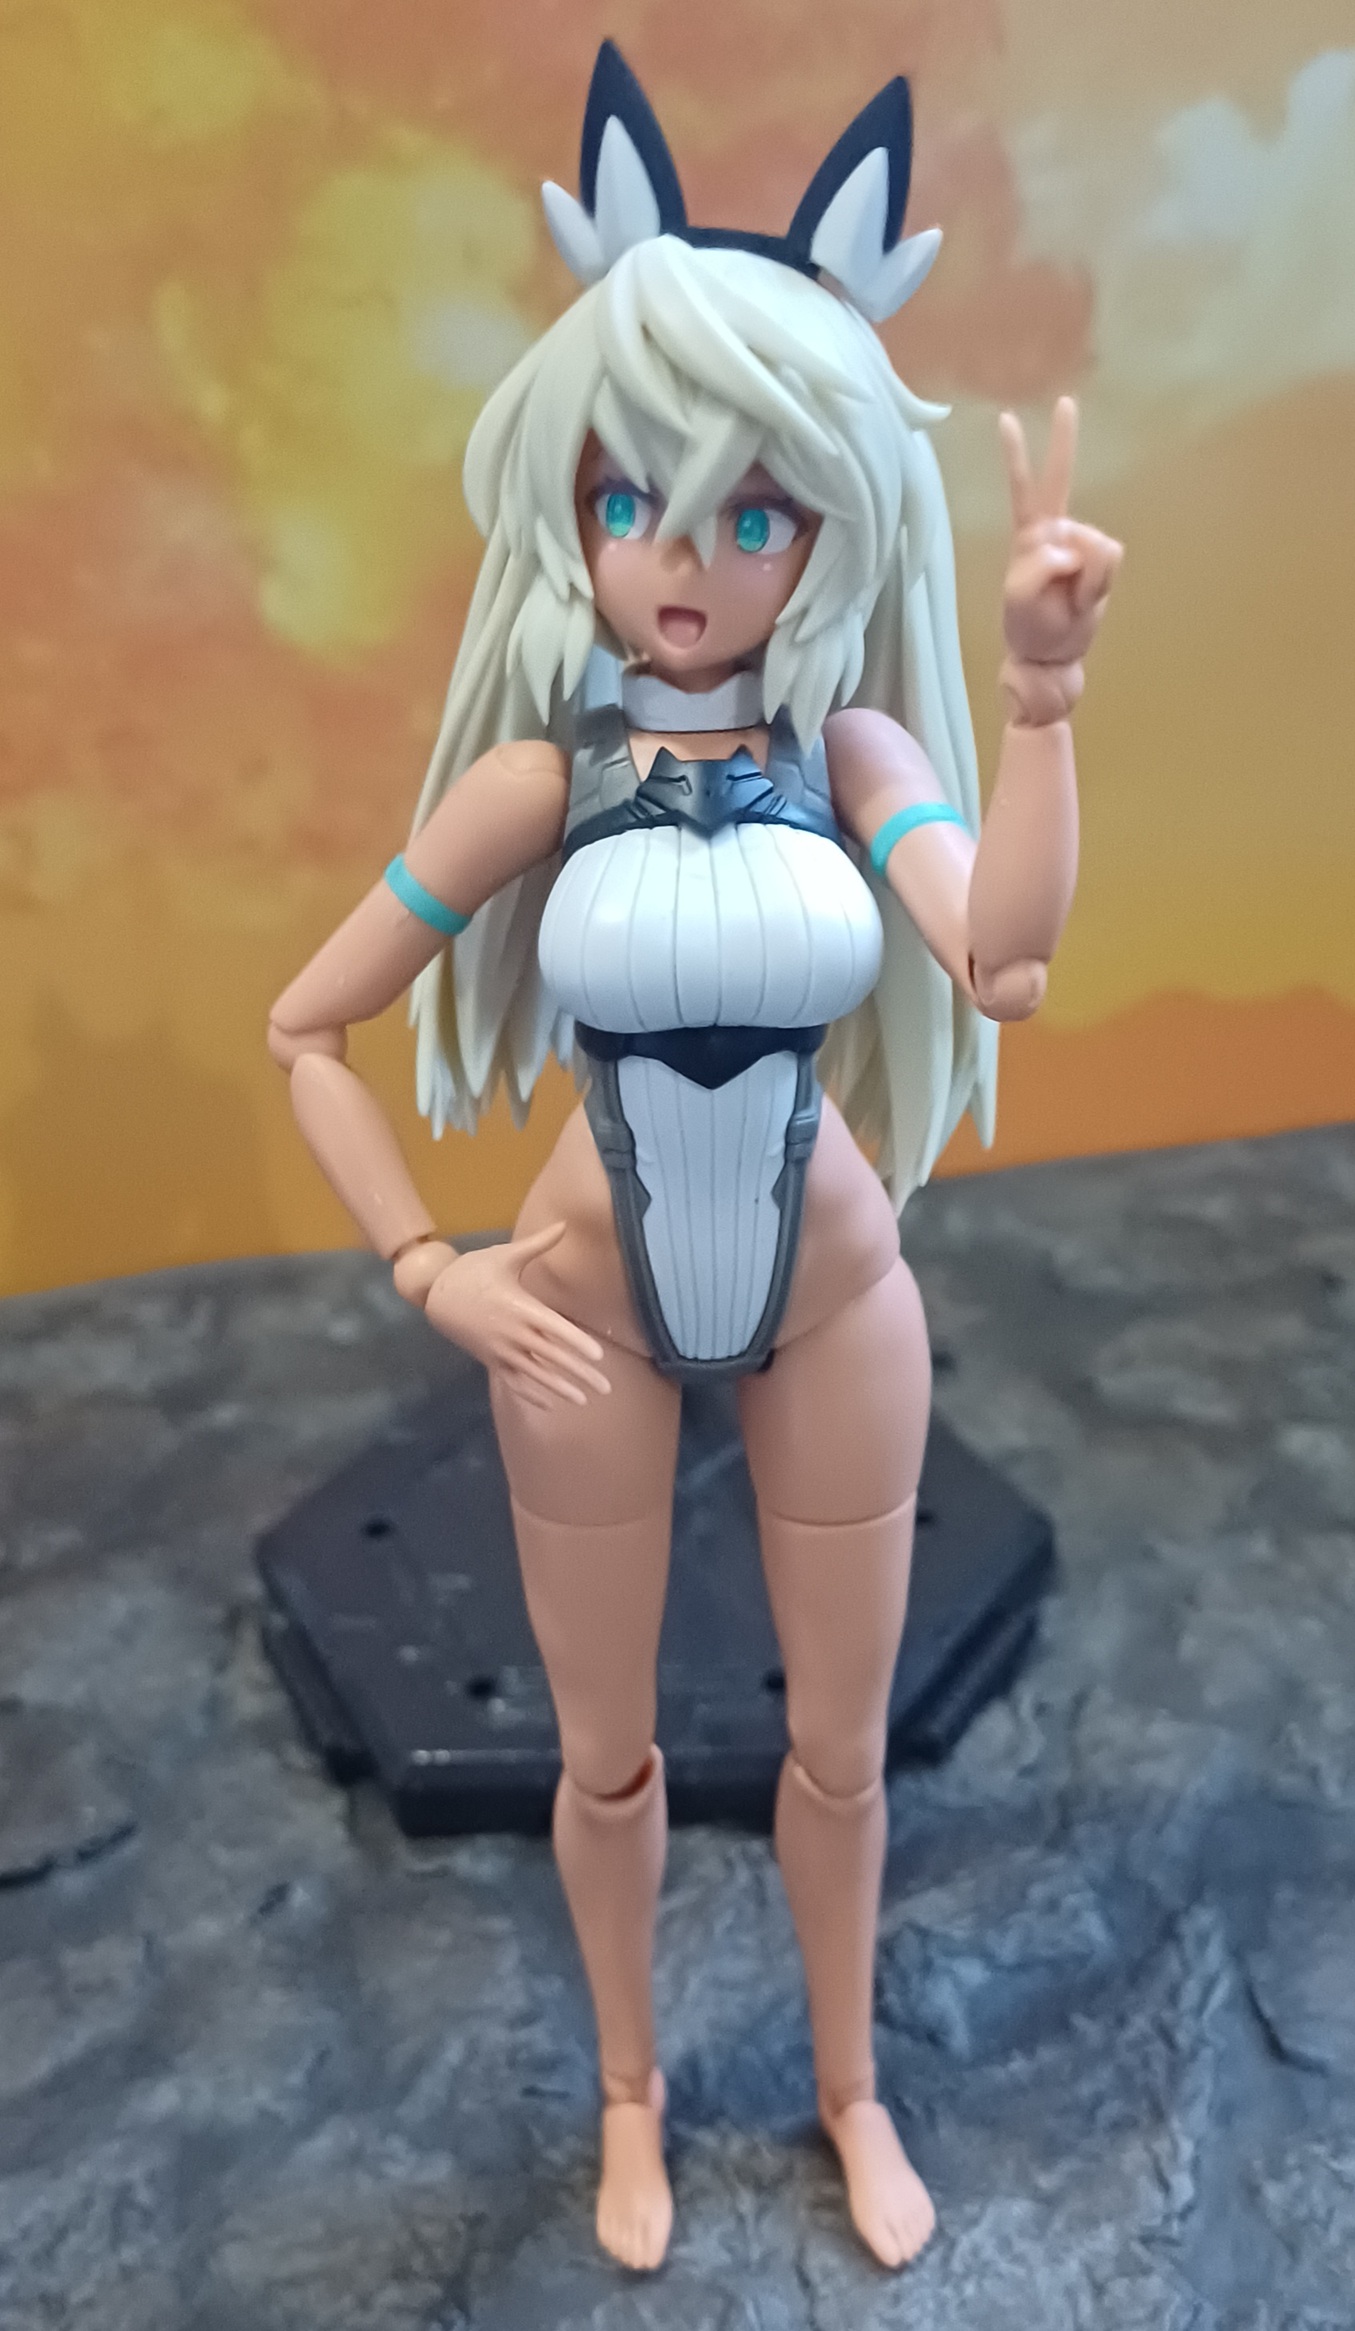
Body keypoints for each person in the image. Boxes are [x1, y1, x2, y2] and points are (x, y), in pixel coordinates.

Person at [268, 44, 1121, 2275]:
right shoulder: (539, 784)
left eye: (756, 513)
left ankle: (848, 2083)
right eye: (641, 496)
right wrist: (431, 1270)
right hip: (582, 1307)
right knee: (609, 1753)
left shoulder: (855, 751)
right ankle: (635, 2096)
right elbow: (305, 1027)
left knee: (841, 1751)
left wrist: (1039, 704)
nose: (687, 555)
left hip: (832, 1291)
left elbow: (1004, 958)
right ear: (571, 502)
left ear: (827, 527)